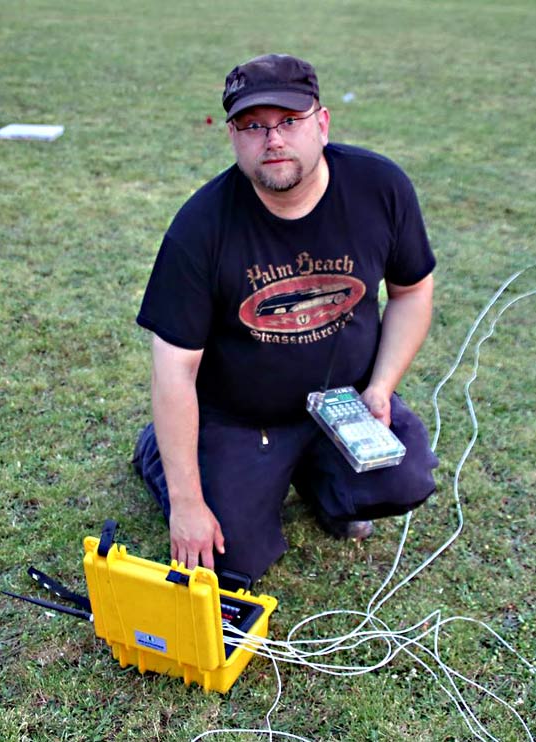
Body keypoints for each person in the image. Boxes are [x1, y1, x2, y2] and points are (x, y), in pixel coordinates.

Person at [133, 53, 439, 583]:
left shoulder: (380, 187)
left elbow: (411, 291)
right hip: (241, 417)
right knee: (233, 561)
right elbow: (174, 369)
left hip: (341, 403)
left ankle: (322, 486)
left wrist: (383, 387)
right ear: (233, 136)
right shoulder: (201, 227)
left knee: (404, 478)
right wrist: (187, 505)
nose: (272, 140)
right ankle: (158, 453)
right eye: (253, 126)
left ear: (321, 123)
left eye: (289, 122)